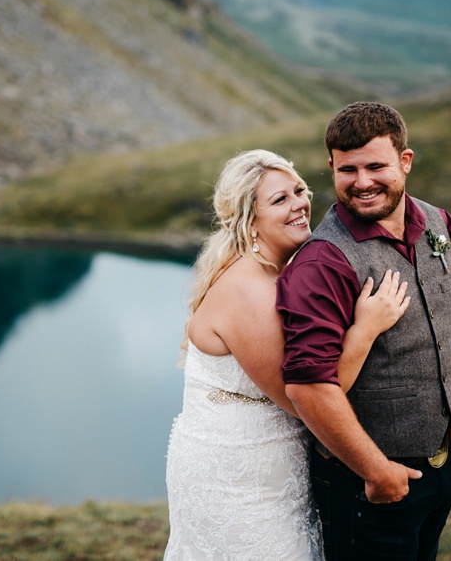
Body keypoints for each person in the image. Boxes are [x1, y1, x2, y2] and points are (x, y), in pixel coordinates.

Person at [164, 149, 411, 560]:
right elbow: (304, 398)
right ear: (249, 220)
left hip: (272, 467)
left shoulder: (275, 273)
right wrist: (366, 329)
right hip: (240, 475)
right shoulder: (249, 288)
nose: (299, 204)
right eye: (279, 200)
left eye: (299, 190)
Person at [277, 102, 451, 560]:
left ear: (405, 161)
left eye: (375, 166)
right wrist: (376, 471)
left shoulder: (440, 223)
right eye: (348, 169)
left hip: (444, 465)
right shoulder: (322, 261)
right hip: (368, 480)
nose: (362, 182)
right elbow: (308, 388)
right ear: (331, 168)